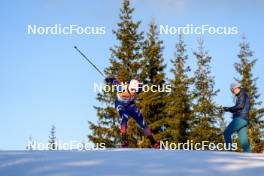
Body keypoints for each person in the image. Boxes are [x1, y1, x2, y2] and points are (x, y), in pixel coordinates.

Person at [105, 77, 160, 148]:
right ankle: (124, 140)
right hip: (120, 105)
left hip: (130, 105)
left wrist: (158, 87)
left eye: (136, 90)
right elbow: (115, 80)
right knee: (124, 117)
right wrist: (109, 79)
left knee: (142, 123)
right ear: (129, 87)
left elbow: (148, 87)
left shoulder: (139, 88)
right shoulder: (121, 88)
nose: (134, 92)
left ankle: (153, 142)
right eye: (132, 90)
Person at [223, 83, 251, 152]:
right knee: (243, 141)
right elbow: (239, 109)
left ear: (236, 88)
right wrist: (228, 109)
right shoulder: (242, 94)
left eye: (232, 91)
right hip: (244, 119)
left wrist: (229, 109)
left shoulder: (242, 94)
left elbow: (240, 106)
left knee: (226, 133)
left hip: (240, 118)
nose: (233, 93)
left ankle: (229, 151)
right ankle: (249, 155)